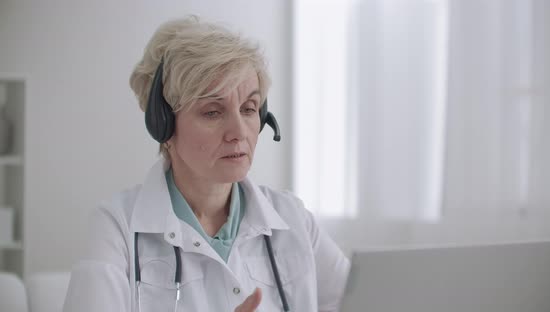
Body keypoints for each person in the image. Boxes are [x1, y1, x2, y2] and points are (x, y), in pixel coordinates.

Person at [63, 15, 350, 312]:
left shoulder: (294, 219)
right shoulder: (117, 227)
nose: (239, 132)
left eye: (249, 108)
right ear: (163, 125)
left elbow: (367, 299)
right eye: (213, 112)